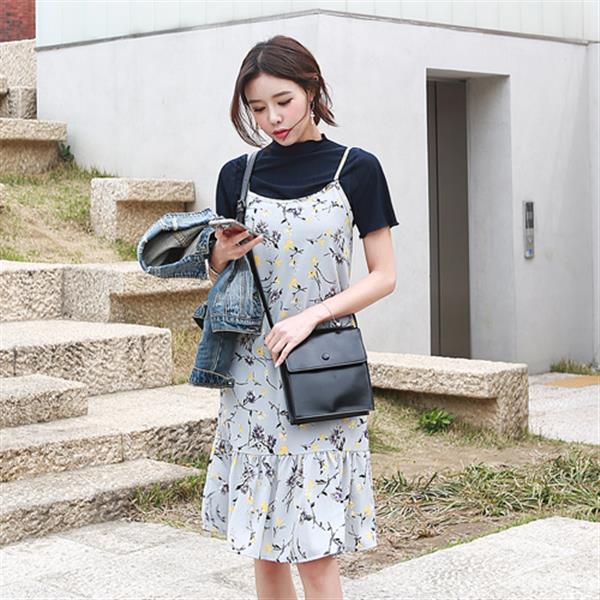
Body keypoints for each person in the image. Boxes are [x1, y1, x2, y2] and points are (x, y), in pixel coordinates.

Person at [203, 35, 398, 600]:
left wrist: (312, 316)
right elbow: (224, 279)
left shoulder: (356, 168)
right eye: (258, 108)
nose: (273, 119)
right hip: (253, 372)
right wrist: (220, 256)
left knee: (315, 548)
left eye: (283, 101)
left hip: (321, 364)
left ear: (312, 89)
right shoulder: (237, 176)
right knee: (264, 544)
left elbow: (384, 275)